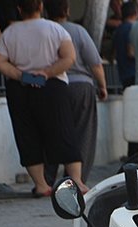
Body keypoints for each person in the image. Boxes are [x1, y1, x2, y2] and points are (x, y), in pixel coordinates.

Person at [0, 0, 88, 196]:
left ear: (19, 9)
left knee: (27, 134)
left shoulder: (10, 33)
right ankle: (76, 181)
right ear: (41, 7)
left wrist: (22, 75)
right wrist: (47, 72)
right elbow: (69, 57)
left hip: (20, 87)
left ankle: (41, 185)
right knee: (63, 131)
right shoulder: (55, 29)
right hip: (53, 86)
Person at [43, 0, 108, 185]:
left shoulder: (44, 32)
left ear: (45, 11)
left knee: (52, 132)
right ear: (67, 10)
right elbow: (95, 63)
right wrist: (102, 86)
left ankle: (47, 177)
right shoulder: (78, 31)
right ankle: (76, 179)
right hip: (80, 87)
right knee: (83, 133)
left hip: (52, 86)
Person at [113, 1, 137, 89]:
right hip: (133, 72)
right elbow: (131, 52)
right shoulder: (132, 28)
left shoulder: (118, 30)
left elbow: (113, 52)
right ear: (135, 13)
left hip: (123, 73)